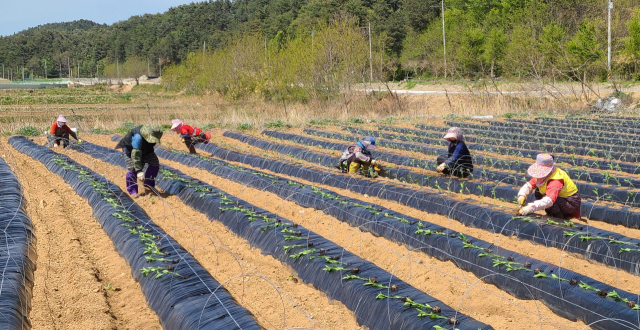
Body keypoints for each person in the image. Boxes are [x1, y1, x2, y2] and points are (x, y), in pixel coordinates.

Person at [516, 153, 581, 219]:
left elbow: (549, 200)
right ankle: (551, 214)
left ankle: (558, 218)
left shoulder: (556, 179)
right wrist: (522, 194)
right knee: (538, 192)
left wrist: (529, 208)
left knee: (551, 201)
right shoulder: (540, 176)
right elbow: (529, 185)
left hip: (571, 203)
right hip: (560, 199)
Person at [115, 124, 163, 197]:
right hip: (131, 150)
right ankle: (132, 190)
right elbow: (135, 155)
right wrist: (139, 171)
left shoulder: (154, 135)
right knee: (132, 169)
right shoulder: (138, 138)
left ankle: (149, 183)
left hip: (146, 150)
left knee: (154, 163)